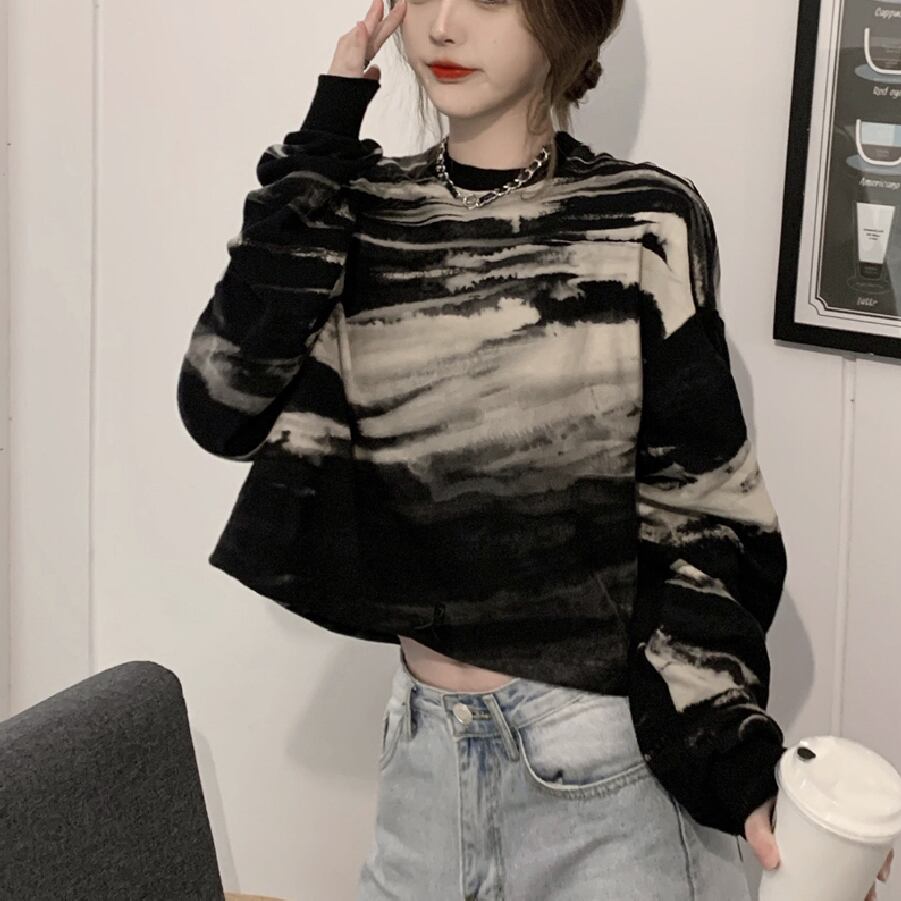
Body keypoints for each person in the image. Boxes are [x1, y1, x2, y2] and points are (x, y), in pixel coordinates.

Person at [176, 0, 894, 898]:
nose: (442, 26)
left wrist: (732, 758)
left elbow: (703, 514)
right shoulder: (356, 209)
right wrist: (324, 136)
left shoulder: (641, 220)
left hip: (602, 773)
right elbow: (222, 403)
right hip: (420, 769)